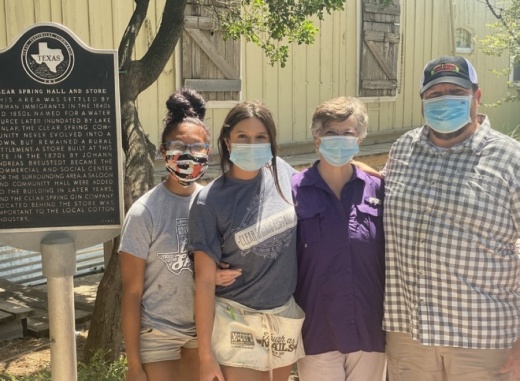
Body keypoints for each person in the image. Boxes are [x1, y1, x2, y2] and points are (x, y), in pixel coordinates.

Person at [382, 56, 520, 380]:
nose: (444, 99)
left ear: (477, 96)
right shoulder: (403, 150)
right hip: (409, 338)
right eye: (434, 93)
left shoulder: (510, 159)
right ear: (422, 102)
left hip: (485, 343)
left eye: (455, 91)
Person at [119, 89, 241, 381]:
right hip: (157, 333)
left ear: (208, 153)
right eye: (178, 146)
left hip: (203, 332)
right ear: (163, 151)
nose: (188, 154)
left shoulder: (214, 203)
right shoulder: (144, 212)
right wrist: (133, 365)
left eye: (198, 147)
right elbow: (132, 292)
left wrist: (218, 274)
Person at [188, 101, 306, 381]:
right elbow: (204, 282)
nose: (252, 144)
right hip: (236, 319)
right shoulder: (209, 202)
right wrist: (206, 357)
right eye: (243, 137)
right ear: (227, 141)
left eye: (260, 137)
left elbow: (320, 180)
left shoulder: (283, 175)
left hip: (282, 316)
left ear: (271, 141)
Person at [291, 97, 386, 381]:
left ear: (359, 139)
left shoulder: (380, 189)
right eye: (331, 132)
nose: (340, 139)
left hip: (369, 328)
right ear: (317, 139)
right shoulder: (294, 190)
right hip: (317, 330)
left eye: (348, 133)